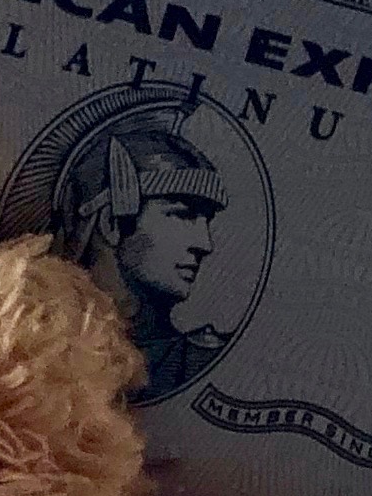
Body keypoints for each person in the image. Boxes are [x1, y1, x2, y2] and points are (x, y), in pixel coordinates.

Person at [51, 104, 237, 401]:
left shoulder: (199, 361)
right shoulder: (1, 342)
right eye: (182, 215)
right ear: (112, 222)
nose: (205, 244)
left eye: (206, 221)